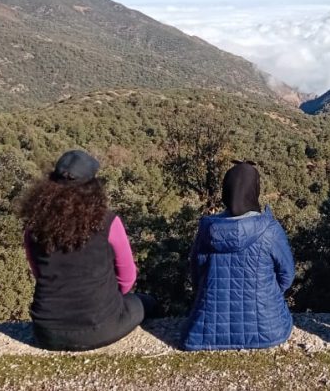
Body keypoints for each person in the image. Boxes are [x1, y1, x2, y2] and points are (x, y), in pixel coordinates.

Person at [20, 150, 155, 351]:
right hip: (101, 327)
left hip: (47, 333)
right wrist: (107, 298)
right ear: (92, 187)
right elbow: (127, 278)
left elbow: (39, 273)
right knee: (148, 303)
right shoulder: (108, 222)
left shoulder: (33, 228)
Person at [180, 161, 295, 350]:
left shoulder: (207, 229)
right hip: (268, 328)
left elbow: (197, 275)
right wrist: (266, 293)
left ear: (226, 191)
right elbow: (287, 275)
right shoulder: (269, 230)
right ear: (255, 190)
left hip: (206, 330)